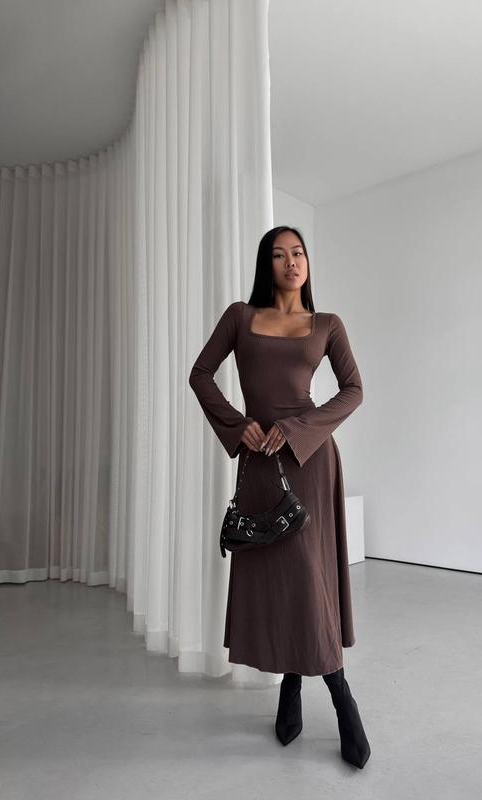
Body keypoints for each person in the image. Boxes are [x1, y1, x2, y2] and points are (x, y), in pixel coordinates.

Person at [189, 226, 371, 769]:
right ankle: (292, 682)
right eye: (278, 254)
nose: (291, 262)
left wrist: (294, 430)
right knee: (280, 576)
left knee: (310, 578)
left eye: (298, 253)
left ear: (307, 263)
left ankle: (340, 697)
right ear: (265, 265)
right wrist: (238, 425)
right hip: (261, 467)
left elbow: (354, 390)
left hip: (309, 462)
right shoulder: (240, 317)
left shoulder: (327, 324)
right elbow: (201, 375)